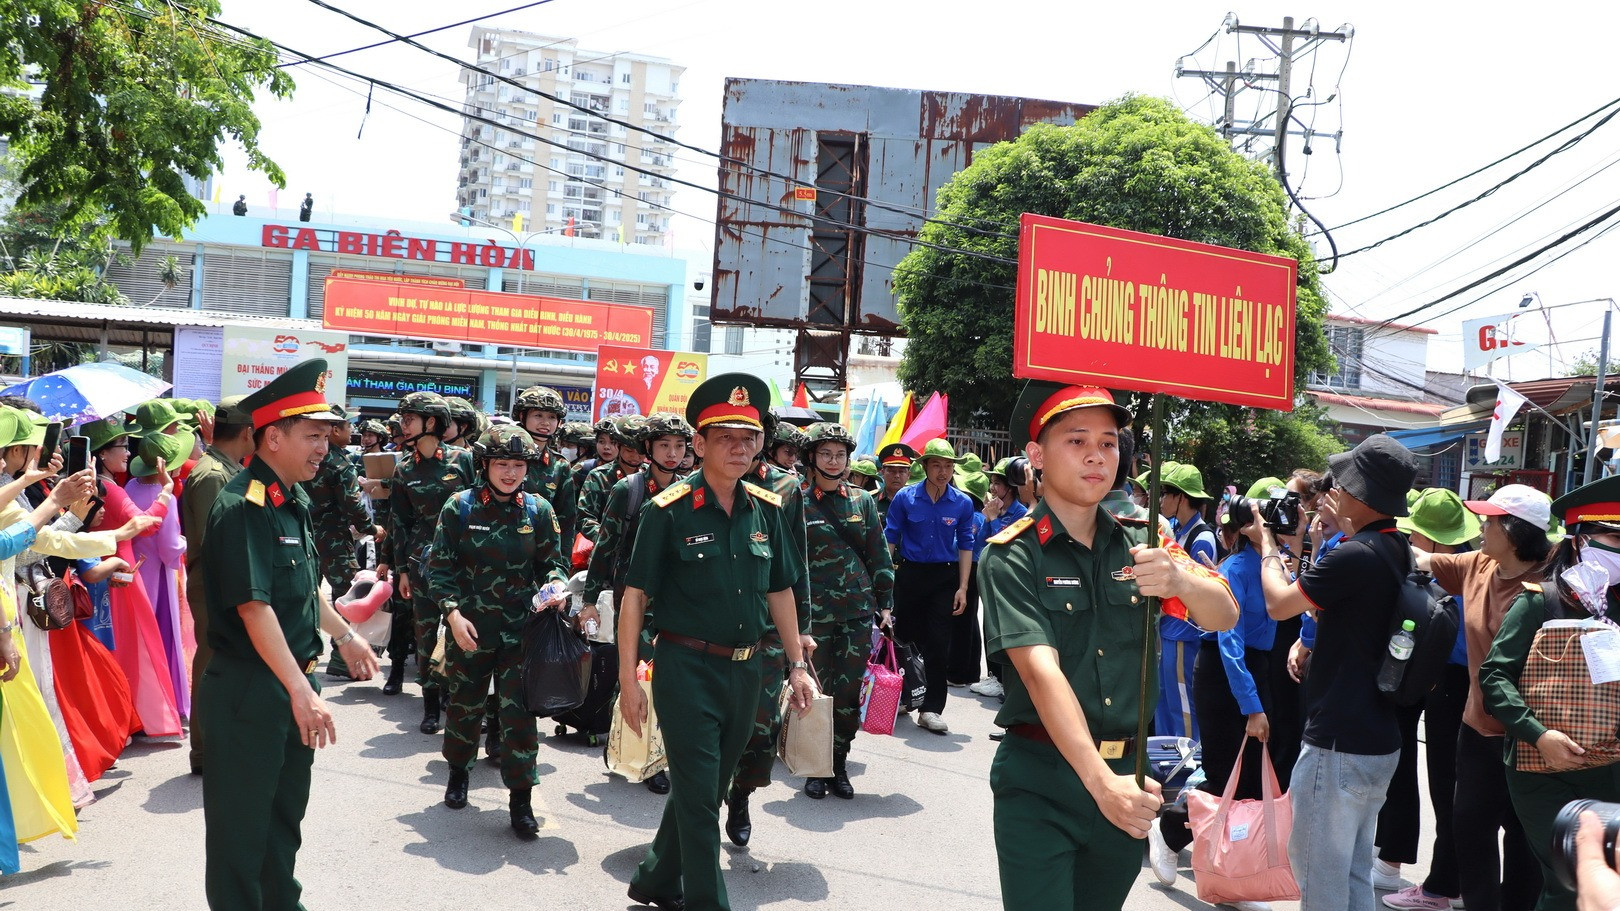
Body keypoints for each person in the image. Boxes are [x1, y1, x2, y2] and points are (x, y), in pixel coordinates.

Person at [981, 381, 1238, 911]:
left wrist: (1179, 581)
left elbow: (1224, 613)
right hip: (1042, 780)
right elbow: (1041, 673)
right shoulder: (1011, 555)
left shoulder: (1144, 542)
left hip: (1128, 775)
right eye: (1076, 441)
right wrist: (1102, 785)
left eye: (1108, 442)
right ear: (1036, 455)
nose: (1096, 455)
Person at [615, 373, 813, 911]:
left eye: (748, 438)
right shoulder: (667, 510)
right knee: (703, 800)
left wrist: (797, 665)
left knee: (706, 789)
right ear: (699, 445)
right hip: (686, 668)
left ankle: (657, 878)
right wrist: (628, 680)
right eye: (725, 437)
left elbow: (781, 590)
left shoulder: (767, 509)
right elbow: (634, 598)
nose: (739, 448)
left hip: (747, 671)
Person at [197, 358, 380, 910]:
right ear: (273, 437)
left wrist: (345, 636)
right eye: (313, 435)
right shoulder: (243, 506)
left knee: (281, 824)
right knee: (241, 835)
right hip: (252, 689)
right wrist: (300, 691)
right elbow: (255, 609)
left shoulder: (290, 498)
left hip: (290, 683)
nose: (325, 447)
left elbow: (301, 590)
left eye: (327, 435)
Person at [1258, 434, 1419, 911]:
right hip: (1376, 738)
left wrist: (1267, 544)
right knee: (1351, 874)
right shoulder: (1395, 547)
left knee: (1319, 877)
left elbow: (1279, 604)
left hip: (1338, 743)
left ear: (1361, 494)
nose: (1334, 491)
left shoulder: (1355, 554)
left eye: (1343, 484)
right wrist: (1312, 542)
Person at [1405, 484, 1550, 911]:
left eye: (1490, 521)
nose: (1481, 528)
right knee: (1469, 829)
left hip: (1532, 735)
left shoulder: (1553, 584)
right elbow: (1421, 558)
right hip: (1477, 728)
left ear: (1516, 531)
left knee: (1523, 841)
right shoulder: (1479, 564)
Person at [1479, 475, 1620, 911]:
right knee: (1572, 880)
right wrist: (1539, 735)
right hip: (1541, 768)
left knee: (1601, 878)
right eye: (1614, 538)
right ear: (1580, 540)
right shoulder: (1540, 601)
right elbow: (1495, 677)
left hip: (1610, 767)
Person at [425, 425, 568, 838]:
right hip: (470, 628)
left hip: (521, 631)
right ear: (484, 465)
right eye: (502, 463)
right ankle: (458, 773)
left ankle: (521, 800)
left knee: (519, 715)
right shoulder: (460, 506)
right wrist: (452, 615)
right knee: (465, 704)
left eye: (519, 465)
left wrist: (556, 587)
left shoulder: (538, 510)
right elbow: (439, 569)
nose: (510, 473)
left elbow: (552, 563)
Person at [1151, 492, 1277, 899]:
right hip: (1225, 677)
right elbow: (1229, 643)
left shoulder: (1274, 567)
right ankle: (1170, 831)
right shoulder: (1237, 568)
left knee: (1251, 783)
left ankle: (1233, 877)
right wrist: (1252, 706)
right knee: (1225, 776)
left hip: (1259, 671)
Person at [584, 412, 692, 795]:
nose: (672, 453)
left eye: (679, 446)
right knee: (639, 674)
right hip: (634, 600)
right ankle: (646, 759)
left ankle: (637, 744)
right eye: (664, 445)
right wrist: (589, 600)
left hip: (675, 602)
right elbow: (605, 547)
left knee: (668, 677)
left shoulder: (690, 490)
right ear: (649, 448)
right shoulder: (627, 490)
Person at [725, 412, 812, 846]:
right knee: (705, 729)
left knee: (760, 728)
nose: (742, 445)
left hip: (767, 630)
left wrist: (802, 632)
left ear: (765, 441)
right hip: (711, 628)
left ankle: (741, 794)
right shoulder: (697, 484)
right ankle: (695, 813)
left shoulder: (785, 489)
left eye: (752, 435)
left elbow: (796, 567)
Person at [800, 421, 893, 799]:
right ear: (811, 458)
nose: (833, 461)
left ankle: (839, 763)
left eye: (840, 455)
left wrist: (886, 605)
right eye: (825, 454)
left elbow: (879, 555)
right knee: (815, 694)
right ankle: (815, 767)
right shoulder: (795, 502)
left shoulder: (862, 501)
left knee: (848, 693)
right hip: (813, 618)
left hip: (856, 612)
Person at [381, 391, 476, 735]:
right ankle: (431, 706)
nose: (403, 426)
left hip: (462, 563)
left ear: (431, 422)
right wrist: (401, 570)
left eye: (409, 419)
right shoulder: (404, 469)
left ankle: (458, 700)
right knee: (424, 634)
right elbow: (400, 524)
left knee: (459, 631)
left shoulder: (463, 460)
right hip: (421, 564)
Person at [884, 437, 975, 734]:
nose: (943, 472)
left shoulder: (962, 503)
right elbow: (891, 538)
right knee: (903, 639)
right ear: (924, 467)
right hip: (910, 575)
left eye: (948, 466)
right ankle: (902, 695)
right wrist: (882, 582)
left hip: (944, 577)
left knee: (938, 643)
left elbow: (966, 544)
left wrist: (963, 587)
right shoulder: (905, 497)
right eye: (937, 465)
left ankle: (931, 708)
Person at [181, 394, 252, 775]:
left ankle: (220, 745)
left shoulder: (227, 468)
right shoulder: (212, 475)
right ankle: (205, 752)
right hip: (214, 585)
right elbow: (216, 543)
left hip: (223, 583)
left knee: (226, 666)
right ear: (247, 432)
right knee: (211, 667)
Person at [302, 409, 382, 680]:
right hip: (334, 539)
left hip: (305, 534)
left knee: (305, 593)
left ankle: (302, 654)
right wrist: (372, 529)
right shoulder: (339, 463)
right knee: (349, 595)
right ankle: (342, 658)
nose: (353, 432)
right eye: (349, 426)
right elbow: (353, 506)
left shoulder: (305, 457)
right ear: (335, 430)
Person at [1155, 462, 1216, 741]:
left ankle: (1189, 761)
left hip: (1184, 633)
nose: (1161, 499)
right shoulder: (1178, 530)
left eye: (1165, 493)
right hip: (1170, 630)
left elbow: (1199, 591)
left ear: (1180, 497)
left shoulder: (1202, 538)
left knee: (1183, 709)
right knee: (1164, 704)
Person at [577, 414, 648, 544]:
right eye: (629, 450)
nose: (635, 456)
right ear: (618, 445)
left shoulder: (650, 475)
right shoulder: (598, 476)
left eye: (641, 451)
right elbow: (584, 517)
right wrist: (606, 539)